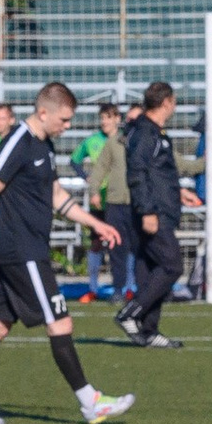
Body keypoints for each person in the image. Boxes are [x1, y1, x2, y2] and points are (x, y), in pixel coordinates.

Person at [0, 80, 132, 424]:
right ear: (43, 112)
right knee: (60, 322)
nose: (67, 126)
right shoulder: (18, 142)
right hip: (22, 251)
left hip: (27, 249)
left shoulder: (44, 145)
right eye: (64, 120)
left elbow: (56, 196)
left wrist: (95, 224)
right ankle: (90, 402)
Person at [118, 82, 186, 348]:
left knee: (149, 269)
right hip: (153, 212)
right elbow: (137, 173)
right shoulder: (146, 132)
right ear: (166, 102)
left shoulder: (155, 132)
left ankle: (149, 330)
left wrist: (178, 194)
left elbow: (157, 174)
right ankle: (130, 313)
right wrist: (147, 211)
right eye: (174, 101)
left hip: (160, 208)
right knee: (172, 266)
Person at [82, 101, 131, 300]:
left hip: (122, 200)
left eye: (108, 117)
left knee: (128, 245)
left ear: (118, 119)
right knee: (101, 243)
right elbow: (76, 161)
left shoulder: (127, 140)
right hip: (104, 201)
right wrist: (90, 183)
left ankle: (129, 286)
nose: (104, 122)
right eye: (102, 118)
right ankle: (95, 288)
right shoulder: (93, 141)